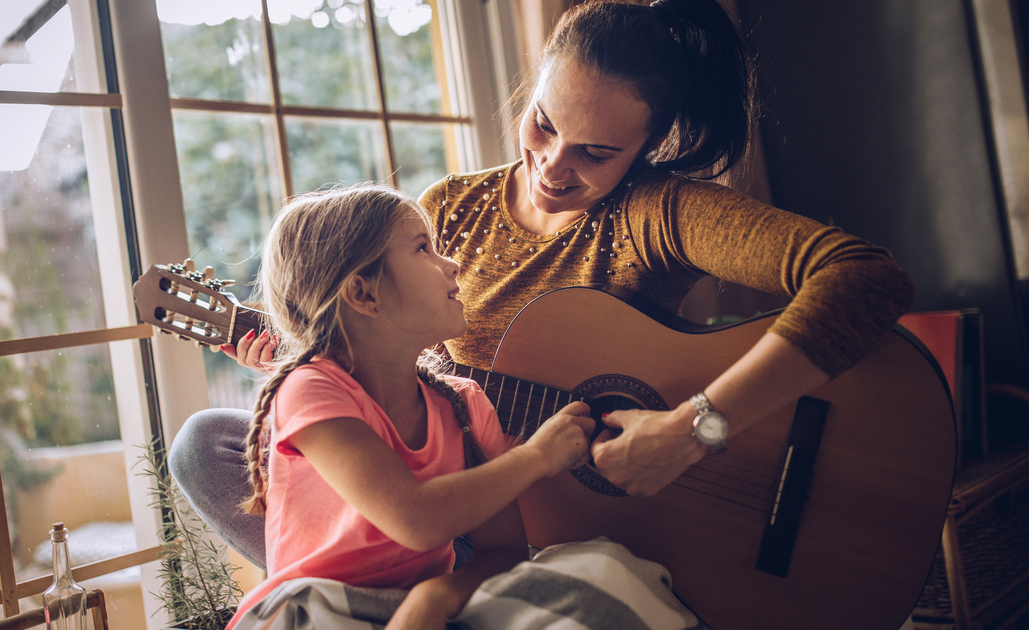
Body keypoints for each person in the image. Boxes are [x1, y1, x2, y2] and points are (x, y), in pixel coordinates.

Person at [171, 0, 912, 583]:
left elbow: (865, 277)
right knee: (209, 445)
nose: (554, 167)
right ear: (533, 90)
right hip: (460, 491)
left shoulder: (660, 212)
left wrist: (695, 429)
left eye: (596, 153)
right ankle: (373, 590)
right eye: (544, 125)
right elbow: (401, 367)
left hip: (585, 510)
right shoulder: (450, 209)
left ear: (648, 147)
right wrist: (325, 363)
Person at [221, 184, 609, 627]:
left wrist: (437, 595)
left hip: (418, 608)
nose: (452, 264)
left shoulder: (463, 404)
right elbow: (413, 518)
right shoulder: (310, 389)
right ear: (364, 294)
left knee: (607, 569)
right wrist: (538, 455)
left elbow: (504, 551)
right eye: (424, 248)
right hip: (318, 610)